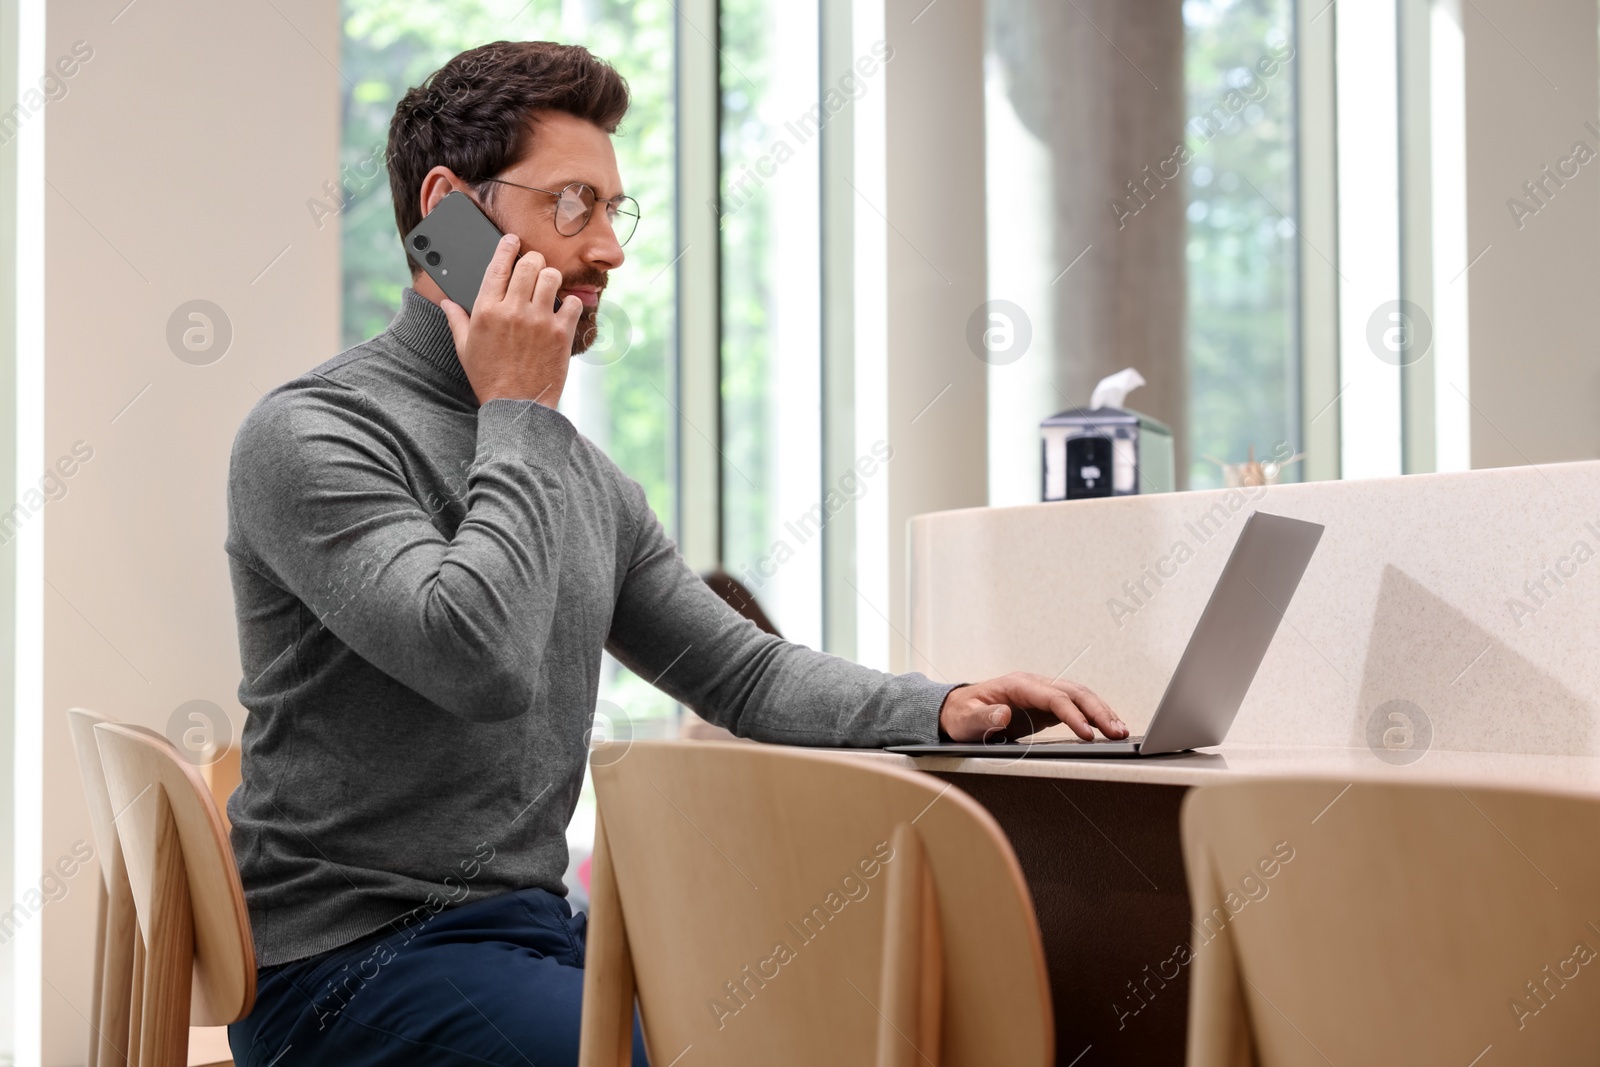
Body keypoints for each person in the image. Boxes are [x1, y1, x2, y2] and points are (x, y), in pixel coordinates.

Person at [222, 39, 1125, 1067]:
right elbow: (476, 661)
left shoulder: (575, 470)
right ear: (452, 214)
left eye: (614, 209)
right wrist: (515, 407)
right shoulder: (312, 436)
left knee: (832, 1027)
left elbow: (737, 667)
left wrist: (939, 702)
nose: (607, 248)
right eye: (573, 205)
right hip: (349, 966)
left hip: (528, 930)